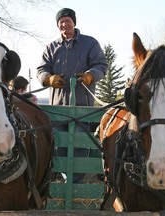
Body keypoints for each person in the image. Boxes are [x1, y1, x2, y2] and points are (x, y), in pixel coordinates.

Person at [36, 8, 108, 183]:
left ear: (74, 23)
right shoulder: (51, 47)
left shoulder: (90, 44)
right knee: (59, 146)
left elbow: (101, 65)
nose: (64, 24)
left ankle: (76, 184)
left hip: (83, 108)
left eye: (67, 21)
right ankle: (66, 181)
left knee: (80, 146)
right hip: (58, 109)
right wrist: (48, 78)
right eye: (61, 21)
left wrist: (90, 75)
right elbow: (41, 70)